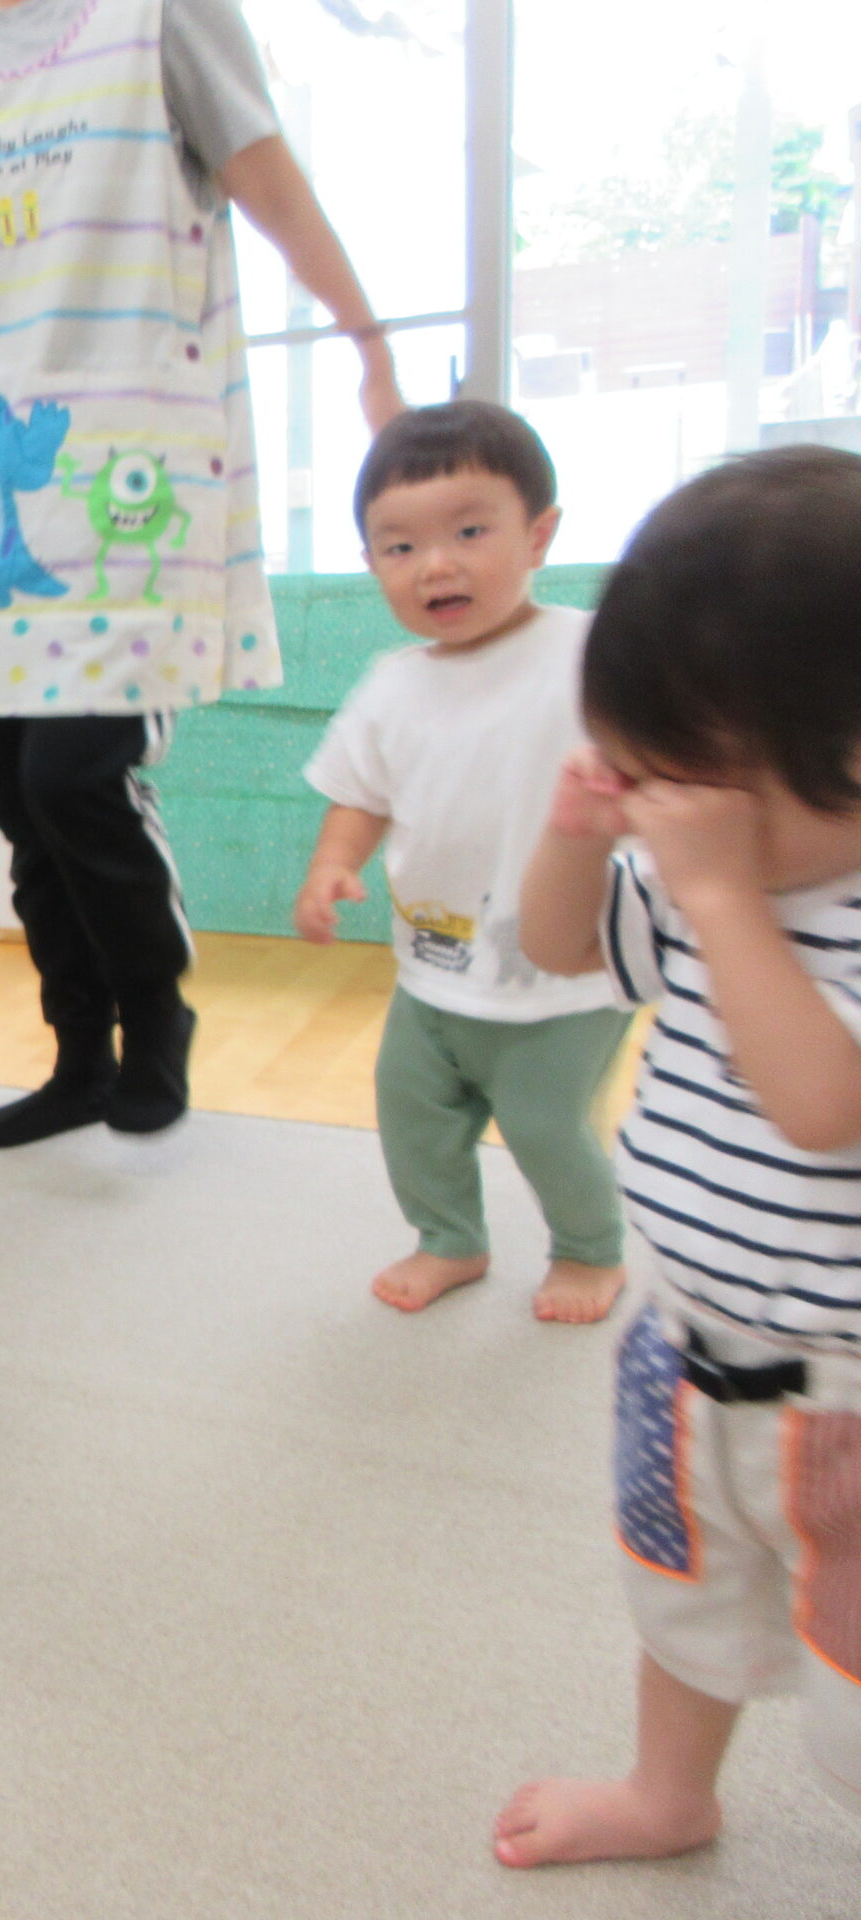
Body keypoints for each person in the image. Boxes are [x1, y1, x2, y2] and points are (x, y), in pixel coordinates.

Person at [0, 0, 407, 1148]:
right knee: (18, 802)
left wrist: (364, 335)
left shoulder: (159, 15)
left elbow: (264, 175)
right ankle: (78, 1055)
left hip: (123, 469)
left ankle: (153, 1017)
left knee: (76, 775)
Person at [499, 446, 861, 1867]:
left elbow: (822, 1105)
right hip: (686, 1337)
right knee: (684, 1592)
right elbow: (557, 947)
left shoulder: (744, 893)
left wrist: (717, 896)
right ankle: (669, 1794)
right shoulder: (709, 873)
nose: (669, 814)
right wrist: (578, 837)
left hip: (847, 1391)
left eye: (698, 782)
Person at [295, 403, 630, 1324]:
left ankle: (590, 1249)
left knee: (544, 1125)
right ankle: (449, 1237)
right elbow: (359, 793)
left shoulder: (591, 654)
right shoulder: (392, 685)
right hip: (432, 968)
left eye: (470, 533)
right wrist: (329, 867)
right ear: (371, 564)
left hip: (566, 976)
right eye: (400, 547)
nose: (435, 565)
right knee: (411, 1113)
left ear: (539, 536)